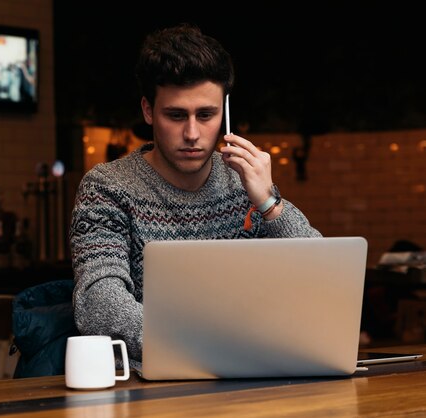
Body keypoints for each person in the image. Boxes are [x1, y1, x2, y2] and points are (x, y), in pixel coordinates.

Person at [69, 23, 322, 366]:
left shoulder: (243, 183)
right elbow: (100, 303)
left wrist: (269, 203)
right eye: (176, 116)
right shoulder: (107, 187)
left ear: (225, 113)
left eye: (206, 115)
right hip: (151, 380)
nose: (192, 133)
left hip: (250, 373)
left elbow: (321, 281)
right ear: (148, 111)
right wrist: (208, 346)